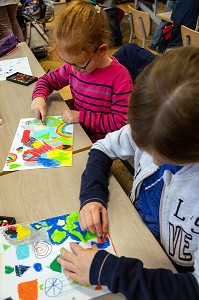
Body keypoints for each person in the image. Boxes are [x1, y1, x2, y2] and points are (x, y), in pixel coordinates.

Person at [57, 46, 199, 299]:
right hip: (137, 234)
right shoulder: (155, 118)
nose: (151, 161)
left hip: (171, 270)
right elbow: (102, 148)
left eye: (161, 157)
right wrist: (92, 196)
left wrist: (111, 271)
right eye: (141, 147)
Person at [31, 0, 132, 142]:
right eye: (67, 62)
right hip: (77, 133)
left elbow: (121, 123)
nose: (72, 70)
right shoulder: (73, 67)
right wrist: (39, 97)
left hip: (103, 144)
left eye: (79, 64)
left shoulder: (119, 77)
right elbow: (47, 80)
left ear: (101, 50)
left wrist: (81, 117)